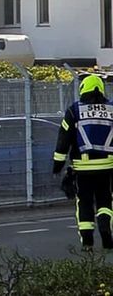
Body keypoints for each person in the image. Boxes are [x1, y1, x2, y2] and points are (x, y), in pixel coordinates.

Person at [53, 73, 113, 248]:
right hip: (108, 166)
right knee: (105, 199)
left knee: (84, 201)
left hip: (82, 167)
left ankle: (87, 240)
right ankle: (105, 225)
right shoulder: (111, 109)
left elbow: (63, 139)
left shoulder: (74, 110)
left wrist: (58, 165)